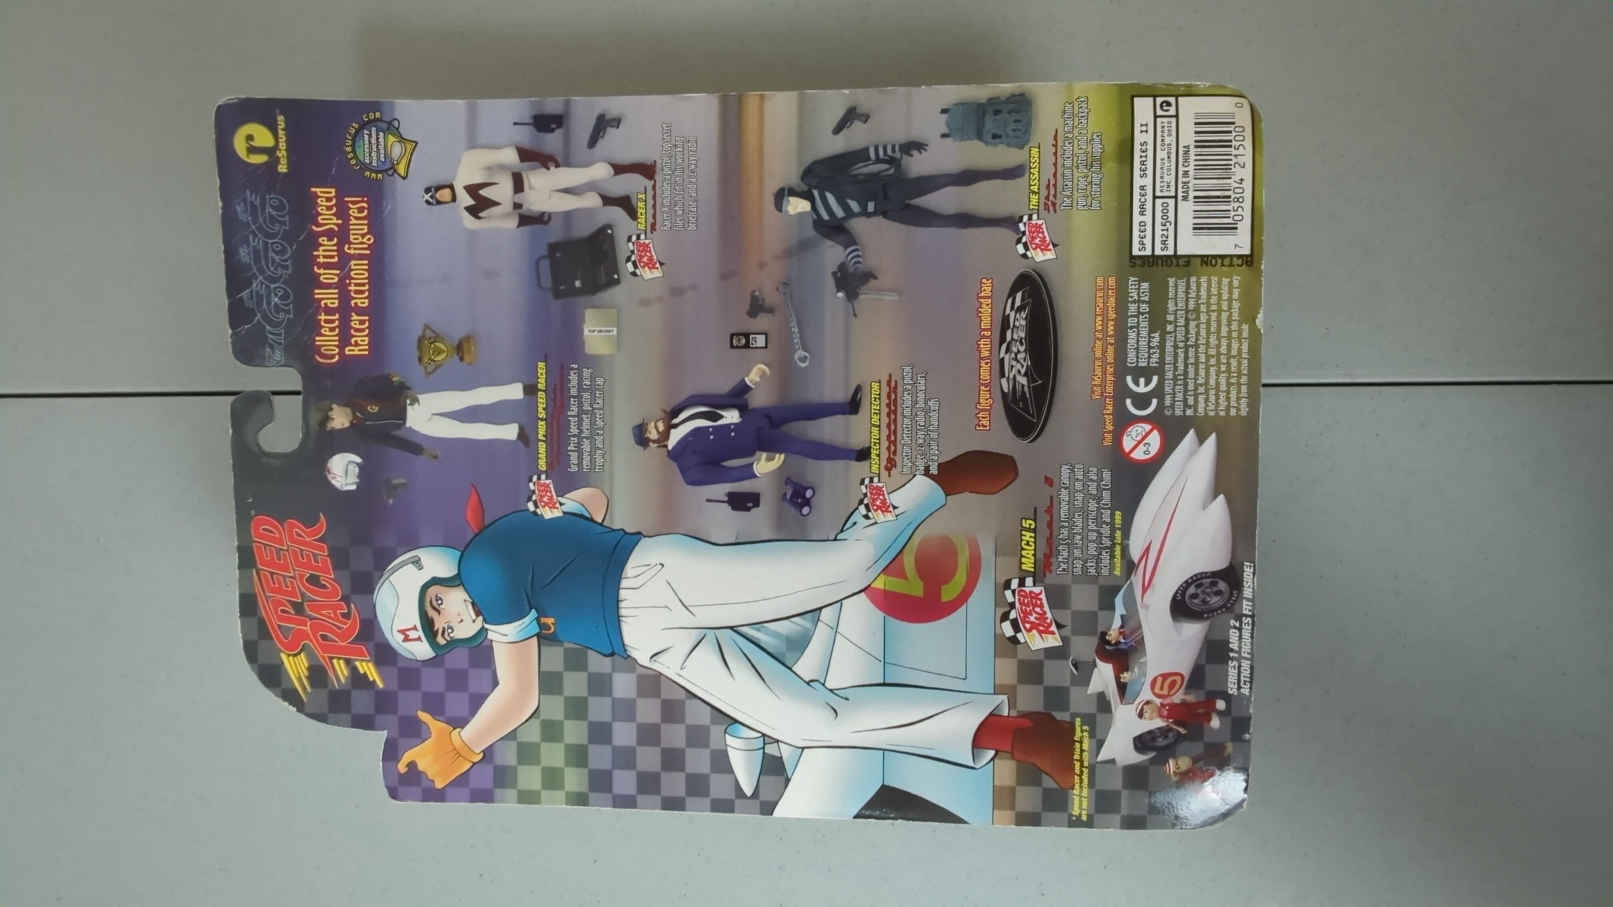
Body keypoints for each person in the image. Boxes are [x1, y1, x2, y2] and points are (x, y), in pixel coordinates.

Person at [372, 450, 1079, 792]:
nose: (454, 616)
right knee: (806, 721)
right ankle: (1015, 734)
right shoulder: (502, 558)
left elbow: (518, 694)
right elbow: (591, 498)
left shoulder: (487, 571)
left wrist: (459, 748)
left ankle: (937, 483)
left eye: (437, 604)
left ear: (439, 571)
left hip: (656, 578)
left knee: (848, 569)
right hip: (644, 638)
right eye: (443, 631)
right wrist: (556, 528)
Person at [774, 141, 1026, 296]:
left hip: (890, 189)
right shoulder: (820, 223)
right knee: (946, 222)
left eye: (791, 203)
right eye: (791, 211)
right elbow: (848, 242)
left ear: (793, 192)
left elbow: (855, 158)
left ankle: (1004, 173)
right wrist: (856, 271)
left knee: (948, 179)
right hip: (887, 211)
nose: (795, 208)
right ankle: (1003, 222)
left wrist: (896, 149)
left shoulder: (814, 177)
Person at [632, 363, 869, 487]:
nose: (654, 426)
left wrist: (749, 381)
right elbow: (726, 475)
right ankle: (855, 455)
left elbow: (722, 402)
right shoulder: (688, 468)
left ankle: (848, 407)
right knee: (801, 446)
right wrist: (755, 469)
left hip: (753, 416)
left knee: (801, 410)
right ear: (653, 444)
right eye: (650, 432)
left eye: (649, 424)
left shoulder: (681, 409)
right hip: (755, 439)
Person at [423, 145, 655, 228]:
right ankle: (620, 202)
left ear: (437, 186)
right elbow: (508, 222)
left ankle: (638, 168)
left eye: (435, 192)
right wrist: (536, 221)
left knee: (592, 173)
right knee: (582, 202)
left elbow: (507, 154)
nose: (440, 196)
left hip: (533, 180)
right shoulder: (469, 220)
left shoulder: (467, 163)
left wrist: (539, 157)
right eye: (436, 200)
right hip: (533, 202)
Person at [316, 373, 532, 458]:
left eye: (333, 421)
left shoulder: (360, 391)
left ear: (333, 408)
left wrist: (406, 390)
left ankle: (522, 390)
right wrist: (421, 451)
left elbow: (389, 379)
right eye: (333, 428)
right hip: (416, 423)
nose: (338, 426)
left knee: (471, 397)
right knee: (466, 431)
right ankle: (514, 432)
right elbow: (391, 441)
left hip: (417, 404)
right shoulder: (362, 432)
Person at [1137, 696, 1229, 732]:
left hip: (1186, 707)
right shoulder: (1162, 717)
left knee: (1200, 705)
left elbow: (1176, 698)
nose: (1148, 716)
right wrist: (1179, 728)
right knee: (1197, 719)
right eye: (1146, 717)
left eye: (1146, 712)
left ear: (1152, 702)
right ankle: (1209, 718)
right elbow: (1169, 723)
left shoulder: (1164, 702)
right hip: (1185, 718)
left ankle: (1215, 704)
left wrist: (1186, 697)